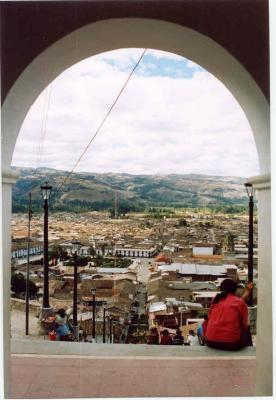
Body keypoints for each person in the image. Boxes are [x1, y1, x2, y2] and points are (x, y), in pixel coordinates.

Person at [206, 279, 253, 351]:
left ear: (221, 288)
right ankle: (249, 353)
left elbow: (209, 317)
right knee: (247, 329)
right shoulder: (239, 302)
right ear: (235, 290)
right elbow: (244, 325)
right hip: (231, 344)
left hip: (210, 341)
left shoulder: (216, 299)